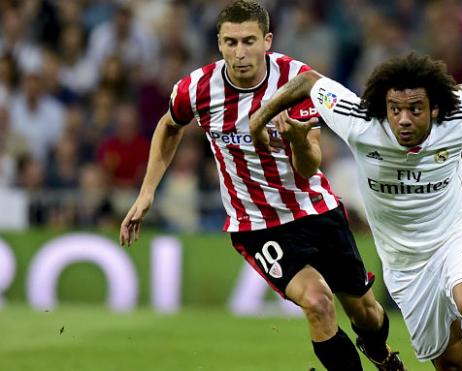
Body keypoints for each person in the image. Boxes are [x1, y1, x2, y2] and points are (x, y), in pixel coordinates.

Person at [118, 2, 405, 370]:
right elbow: (169, 125)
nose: (240, 53)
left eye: (249, 41)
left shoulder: (297, 80)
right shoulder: (196, 88)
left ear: (267, 41)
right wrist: (147, 193)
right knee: (317, 302)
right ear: (219, 44)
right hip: (257, 225)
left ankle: (381, 354)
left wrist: (298, 139)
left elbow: (308, 167)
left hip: (314, 208)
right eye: (231, 42)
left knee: (366, 312)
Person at [250, 52, 462, 371]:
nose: (403, 119)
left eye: (415, 109)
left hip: (458, 232)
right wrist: (259, 118)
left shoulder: (455, 115)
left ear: (434, 108)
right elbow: (308, 82)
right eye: (395, 109)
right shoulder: (359, 121)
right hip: (406, 264)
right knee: (451, 366)